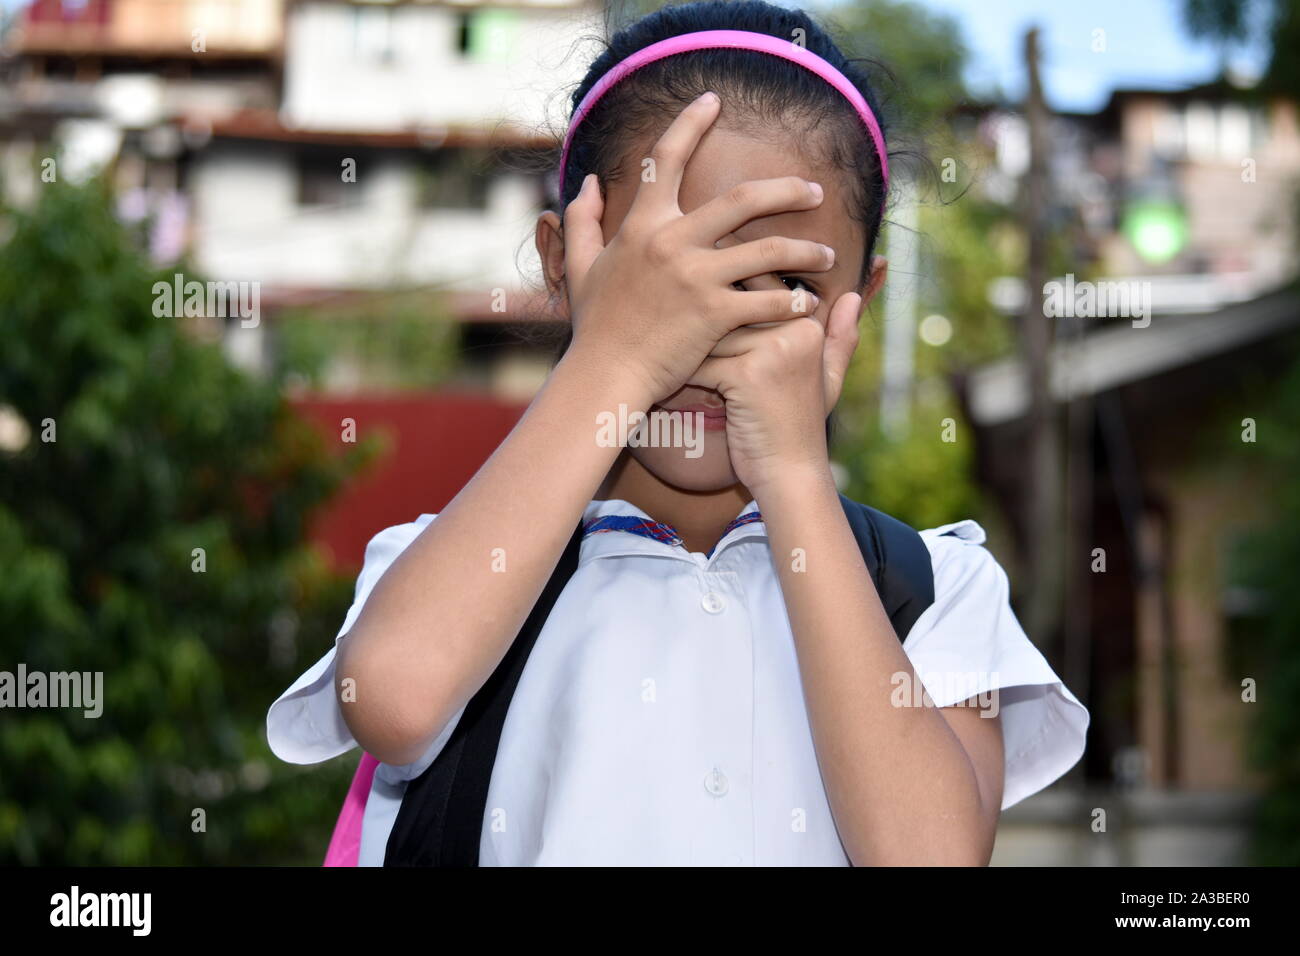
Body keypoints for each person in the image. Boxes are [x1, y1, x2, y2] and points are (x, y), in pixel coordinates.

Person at [267, 0, 1089, 866]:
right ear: (563, 258)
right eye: (669, 278)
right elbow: (392, 702)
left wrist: (799, 483)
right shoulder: (461, 567)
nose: (709, 334)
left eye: (777, 285)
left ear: (860, 302)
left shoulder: (933, 589)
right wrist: (615, 363)